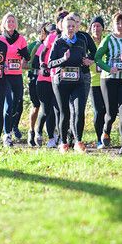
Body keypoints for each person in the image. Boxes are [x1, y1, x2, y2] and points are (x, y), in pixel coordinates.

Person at [49, 13, 97, 153]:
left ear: (76, 27)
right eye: (67, 26)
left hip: (78, 81)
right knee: (65, 112)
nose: (70, 28)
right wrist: (63, 59)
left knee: (79, 110)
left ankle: (78, 142)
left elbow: (88, 57)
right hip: (61, 82)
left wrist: (89, 61)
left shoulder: (81, 42)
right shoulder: (58, 42)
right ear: (63, 28)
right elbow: (50, 63)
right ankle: (63, 143)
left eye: (72, 26)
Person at [95, 12, 122, 155]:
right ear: (113, 24)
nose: (120, 26)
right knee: (111, 113)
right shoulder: (108, 40)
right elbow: (97, 58)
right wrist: (108, 68)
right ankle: (106, 129)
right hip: (109, 79)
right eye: (118, 23)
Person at [35, 12, 69, 148]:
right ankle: (38, 130)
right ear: (59, 23)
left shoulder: (70, 38)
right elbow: (42, 53)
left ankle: (55, 138)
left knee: (57, 109)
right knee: (46, 109)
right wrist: (43, 64)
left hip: (58, 78)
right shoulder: (51, 37)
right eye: (61, 21)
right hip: (44, 78)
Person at [0, 13, 30, 144]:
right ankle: (6, 134)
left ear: (15, 24)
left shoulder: (21, 39)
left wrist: (24, 55)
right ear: (4, 23)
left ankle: (13, 126)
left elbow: (27, 57)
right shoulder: (0, 39)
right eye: (8, 21)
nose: (11, 23)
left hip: (17, 75)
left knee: (17, 104)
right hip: (5, 76)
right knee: (8, 105)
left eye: (13, 21)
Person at [26, 23, 49, 146]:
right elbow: (24, 63)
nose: (46, 34)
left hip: (49, 79)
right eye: (44, 32)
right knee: (36, 106)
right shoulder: (34, 46)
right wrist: (32, 67)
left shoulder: (55, 44)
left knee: (48, 106)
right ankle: (31, 130)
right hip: (34, 77)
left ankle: (48, 132)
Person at [89, 16, 106, 147]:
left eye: (98, 25)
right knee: (98, 111)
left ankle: (106, 135)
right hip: (93, 81)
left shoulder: (106, 41)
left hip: (106, 80)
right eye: (94, 26)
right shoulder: (88, 42)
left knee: (107, 110)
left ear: (103, 28)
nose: (96, 28)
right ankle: (99, 138)